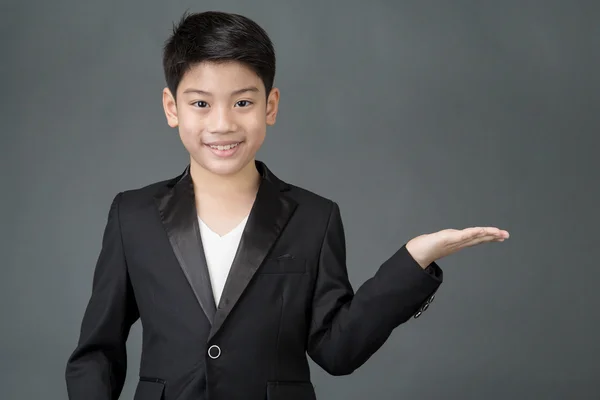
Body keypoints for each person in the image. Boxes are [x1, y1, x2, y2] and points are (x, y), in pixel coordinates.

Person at [65, 10, 509, 400]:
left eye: (243, 102)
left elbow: (338, 351)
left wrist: (414, 260)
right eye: (201, 103)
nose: (222, 123)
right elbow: (97, 353)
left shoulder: (315, 218)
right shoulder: (133, 215)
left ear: (270, 106)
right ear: (171, 107)